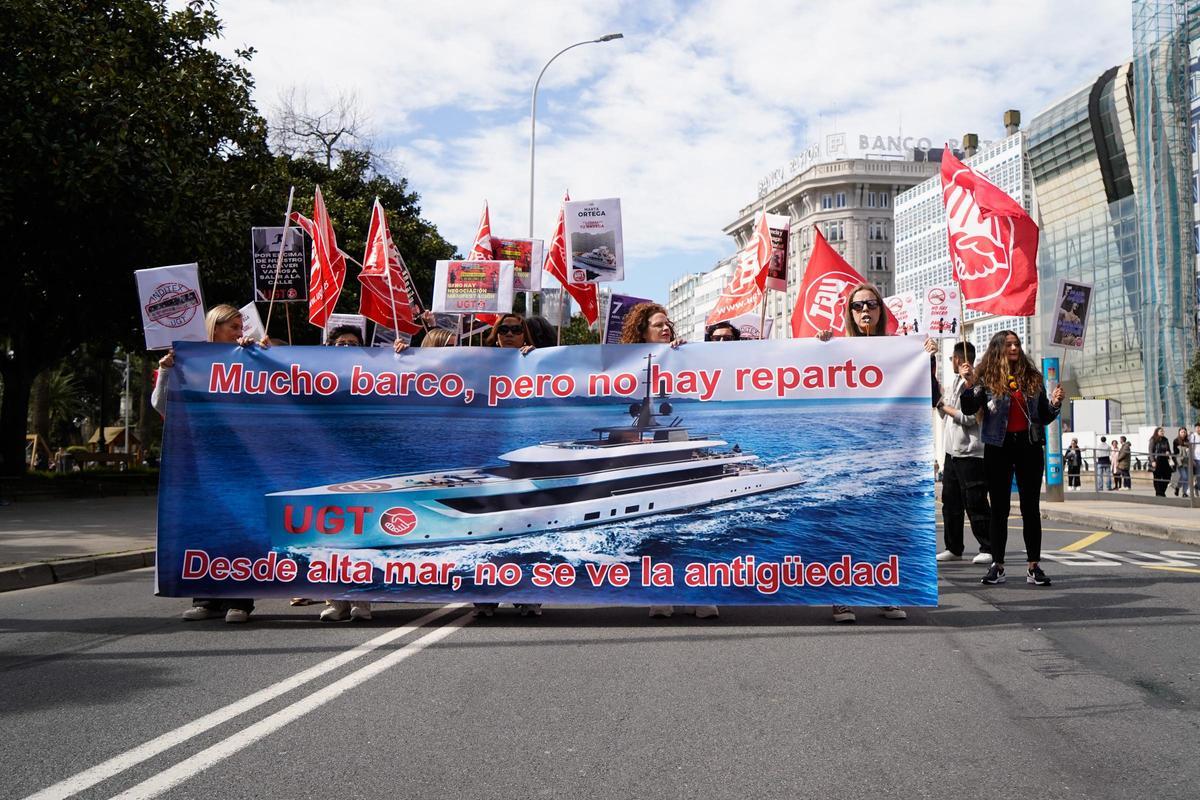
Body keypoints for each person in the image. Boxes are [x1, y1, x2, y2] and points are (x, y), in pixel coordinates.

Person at [159, 305, 265, 623]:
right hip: (201, 463)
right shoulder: (190, 364)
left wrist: (263, 356)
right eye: (233, 326)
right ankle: (206, 598)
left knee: (239, 528)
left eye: (240, 326)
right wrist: (166, 370)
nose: (238, 332)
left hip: (240, 462)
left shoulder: (248, 359)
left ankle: (239, 601)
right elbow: (162, 406)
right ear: (214, 327)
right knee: (205, 528)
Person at [817, 284, 909, 623]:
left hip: (886, 453)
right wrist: (821, 347)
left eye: (871, 304)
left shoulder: (900, 349)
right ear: (850, 313)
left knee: (883, 525)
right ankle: (841, 596)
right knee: (845, 524)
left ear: (881, 310)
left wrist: (923, 357)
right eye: (857, 306)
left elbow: (926, 398)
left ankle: (885, 592)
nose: (864, 310)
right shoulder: (835, 348)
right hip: (846, 450)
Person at [618, 303, 715, 620]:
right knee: (656, 536)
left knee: (695, 528)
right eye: (659, 325)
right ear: (643, 331)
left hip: (671, 444)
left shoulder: (681, 356)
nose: (666, 328)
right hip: (640, 451)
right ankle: (660, 594)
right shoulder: (626, 364)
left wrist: (685, 355)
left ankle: (701, 593)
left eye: (668, 324)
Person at [959, 330, 1064, 587]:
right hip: (998, 446)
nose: (1014, 348)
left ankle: (1034, 566)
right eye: (1008, 344)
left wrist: (1055, 404)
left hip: (1028, 446)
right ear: (998, 348)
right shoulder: (986, 378)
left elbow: (1042, 416)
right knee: (1000, 510)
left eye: (1016, 344)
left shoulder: (1032, 378)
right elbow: (968, 408)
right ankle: (998, 565)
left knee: (1031, 509)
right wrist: (969, 383)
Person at [318, 325, 374, 621]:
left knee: (360, 535)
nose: (347, 348)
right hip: (327, 468)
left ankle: (361, 601)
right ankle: (335, 600)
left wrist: (402, 354)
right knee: (329, 534)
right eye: (341, 343)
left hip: (361, 468)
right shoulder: (314, 376)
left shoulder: (377, 375)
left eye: (353, 343)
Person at [934, 341, 991, 564]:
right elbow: (944, 408)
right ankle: (953, 547)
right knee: (951, 502)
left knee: (975, 501)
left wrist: (943, 407)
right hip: (951, 452)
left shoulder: (977, 382)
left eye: (951, 359)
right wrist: (941, 405)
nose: (952, 363)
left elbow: (969, 417)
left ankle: (988, 546)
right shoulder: (954, 382)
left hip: (971, 452)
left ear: (957, 359)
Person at [1149, 427, 1172, 497]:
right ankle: (1159, 493)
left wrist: (1168, 452)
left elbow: (1168, 449)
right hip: (1157, 460)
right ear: (1157, 432)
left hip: (1165, 460)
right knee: (1157, 477)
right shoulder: (1153, 439)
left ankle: (1162, 491)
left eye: (1163, 431)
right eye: (1160, 431)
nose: (1162, 432)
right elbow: (1150, 451)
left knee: (1167, 476)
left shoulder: (1165, 439)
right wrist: (1152, 461)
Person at [1171, 427, 1191, 497]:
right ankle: (1177, 487)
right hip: (1180, 461)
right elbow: (1176, 452)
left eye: (1184, 432)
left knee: (1187, 478)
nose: (1183, 433)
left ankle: (1184, 492)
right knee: (1184, 477)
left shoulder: (1188, 441)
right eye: (1182, 432)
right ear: (1179, 433)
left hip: (1187, 461)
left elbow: (1190, 450)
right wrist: (1184, 449)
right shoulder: (1176, 441)